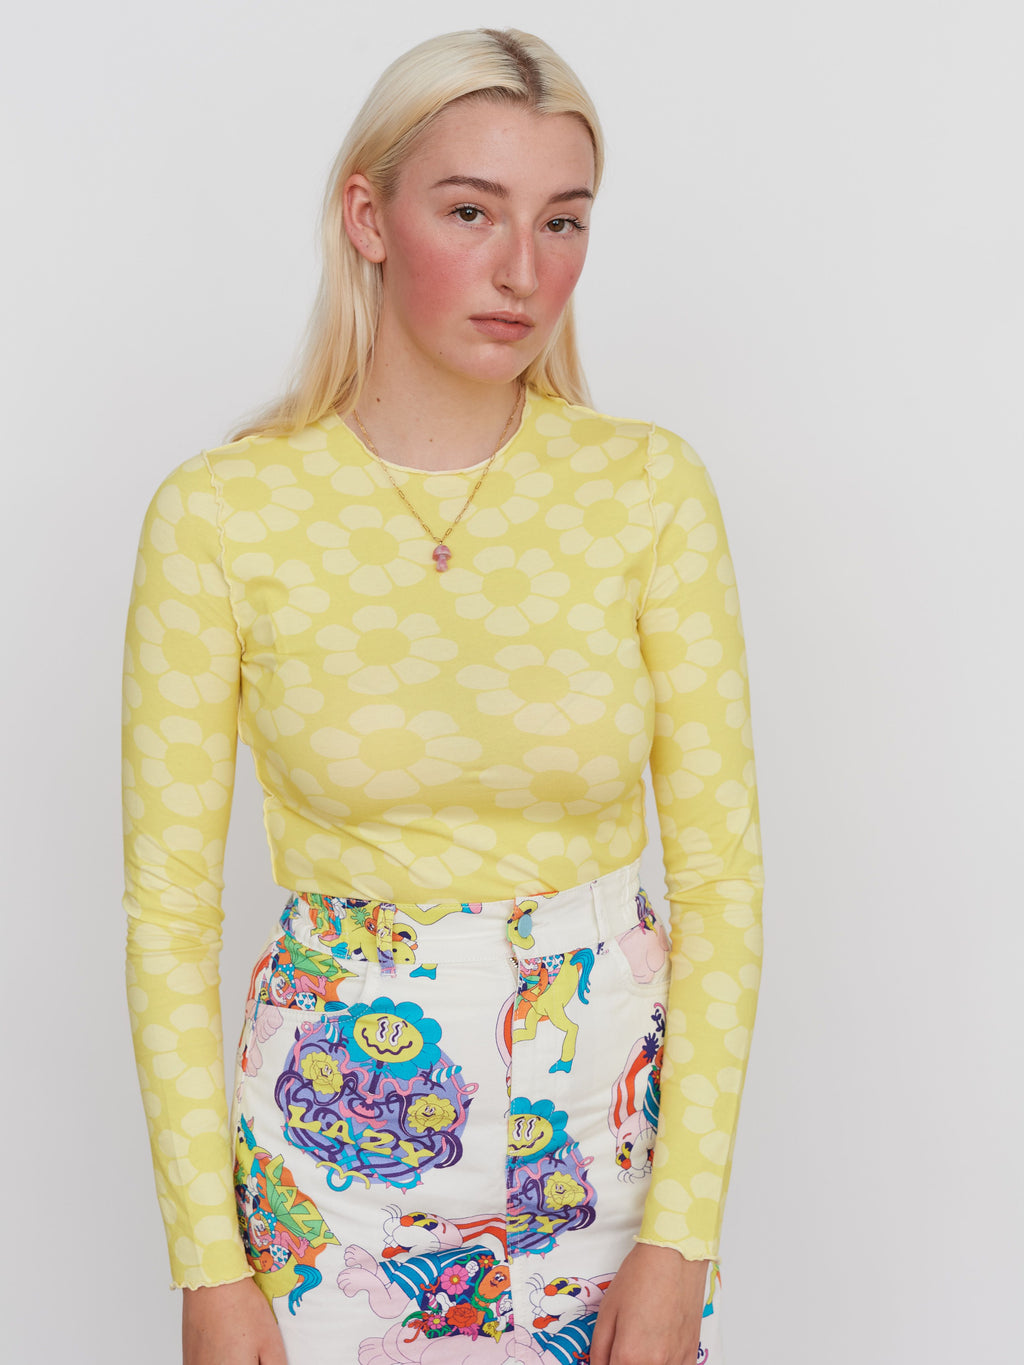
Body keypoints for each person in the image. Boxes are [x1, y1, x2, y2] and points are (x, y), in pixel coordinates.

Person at [120, 26, 764, 1365]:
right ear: (369, 217)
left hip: (612, 1154)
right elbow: (167, 914)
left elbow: (722, 885)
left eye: (562, 220)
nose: (523, 269)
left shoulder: (647, 490)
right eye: (471, 212)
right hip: (331, 1159)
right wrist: (209, 1262)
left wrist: (682, 1237)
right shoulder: (224, 514)